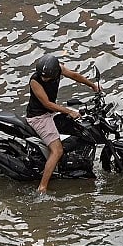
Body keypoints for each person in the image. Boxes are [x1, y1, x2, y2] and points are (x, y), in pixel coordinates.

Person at [26, 54, 100, 193]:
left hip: (50, 113)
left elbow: (74, 75)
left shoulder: (58, 69)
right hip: (39, 117)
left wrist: (92, 86)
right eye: (42, 76)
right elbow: (47, 104)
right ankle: (42, 188)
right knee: (57, 150)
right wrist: (69, 111)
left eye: (47, 77)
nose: (44, 79)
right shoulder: (35, 81)